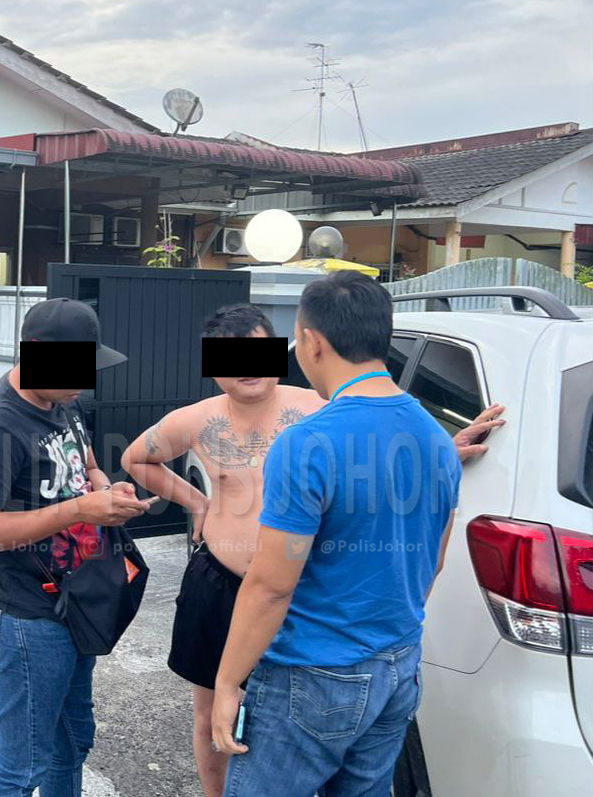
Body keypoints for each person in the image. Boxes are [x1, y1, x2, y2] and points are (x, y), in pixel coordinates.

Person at [122, 301, 504, 797]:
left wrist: (442, 450)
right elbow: (137, 459)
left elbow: (378, 451)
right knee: (212, 713)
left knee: (292, 722)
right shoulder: (197, 420)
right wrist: (199, 503)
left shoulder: (319, 408)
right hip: (220, 584)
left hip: (298, 592)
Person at [210, 271, 470, 796]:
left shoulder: (307, 442)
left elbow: (272, 584)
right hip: (398, 664)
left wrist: (227, 682)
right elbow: (434, 559)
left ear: (312, 341)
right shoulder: (436, 436)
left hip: (312, 671)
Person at [0, 297, 154, 797]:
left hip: (73, 603)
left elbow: (86, 464)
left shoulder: (64, 401)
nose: (82, 383)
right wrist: (80, 510)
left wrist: (107, 489)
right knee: (24, 764)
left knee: (72, 742)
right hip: (22, 616)